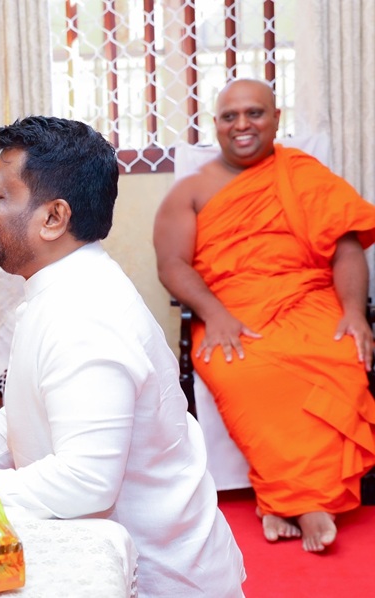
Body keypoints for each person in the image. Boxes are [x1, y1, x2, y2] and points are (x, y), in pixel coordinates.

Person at [0, 116, 245, 597]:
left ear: (53, 218)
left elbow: (86, 482)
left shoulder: (84, 316)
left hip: (160, 578)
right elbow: (26, 408)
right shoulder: (66, 283)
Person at [153, 78, 375, 552]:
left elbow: (347, 249)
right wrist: (214, 313)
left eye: (254, 113)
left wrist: (356, 313)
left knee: (341, 354)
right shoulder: (192, 191)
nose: (243, 124)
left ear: (276, 119)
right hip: (229, 310)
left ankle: (284, 502)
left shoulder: (304, 174)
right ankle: (307, 505)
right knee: (244, 370)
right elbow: (172, 264)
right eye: (230, 116)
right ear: (216, 125)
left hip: (308, 299)